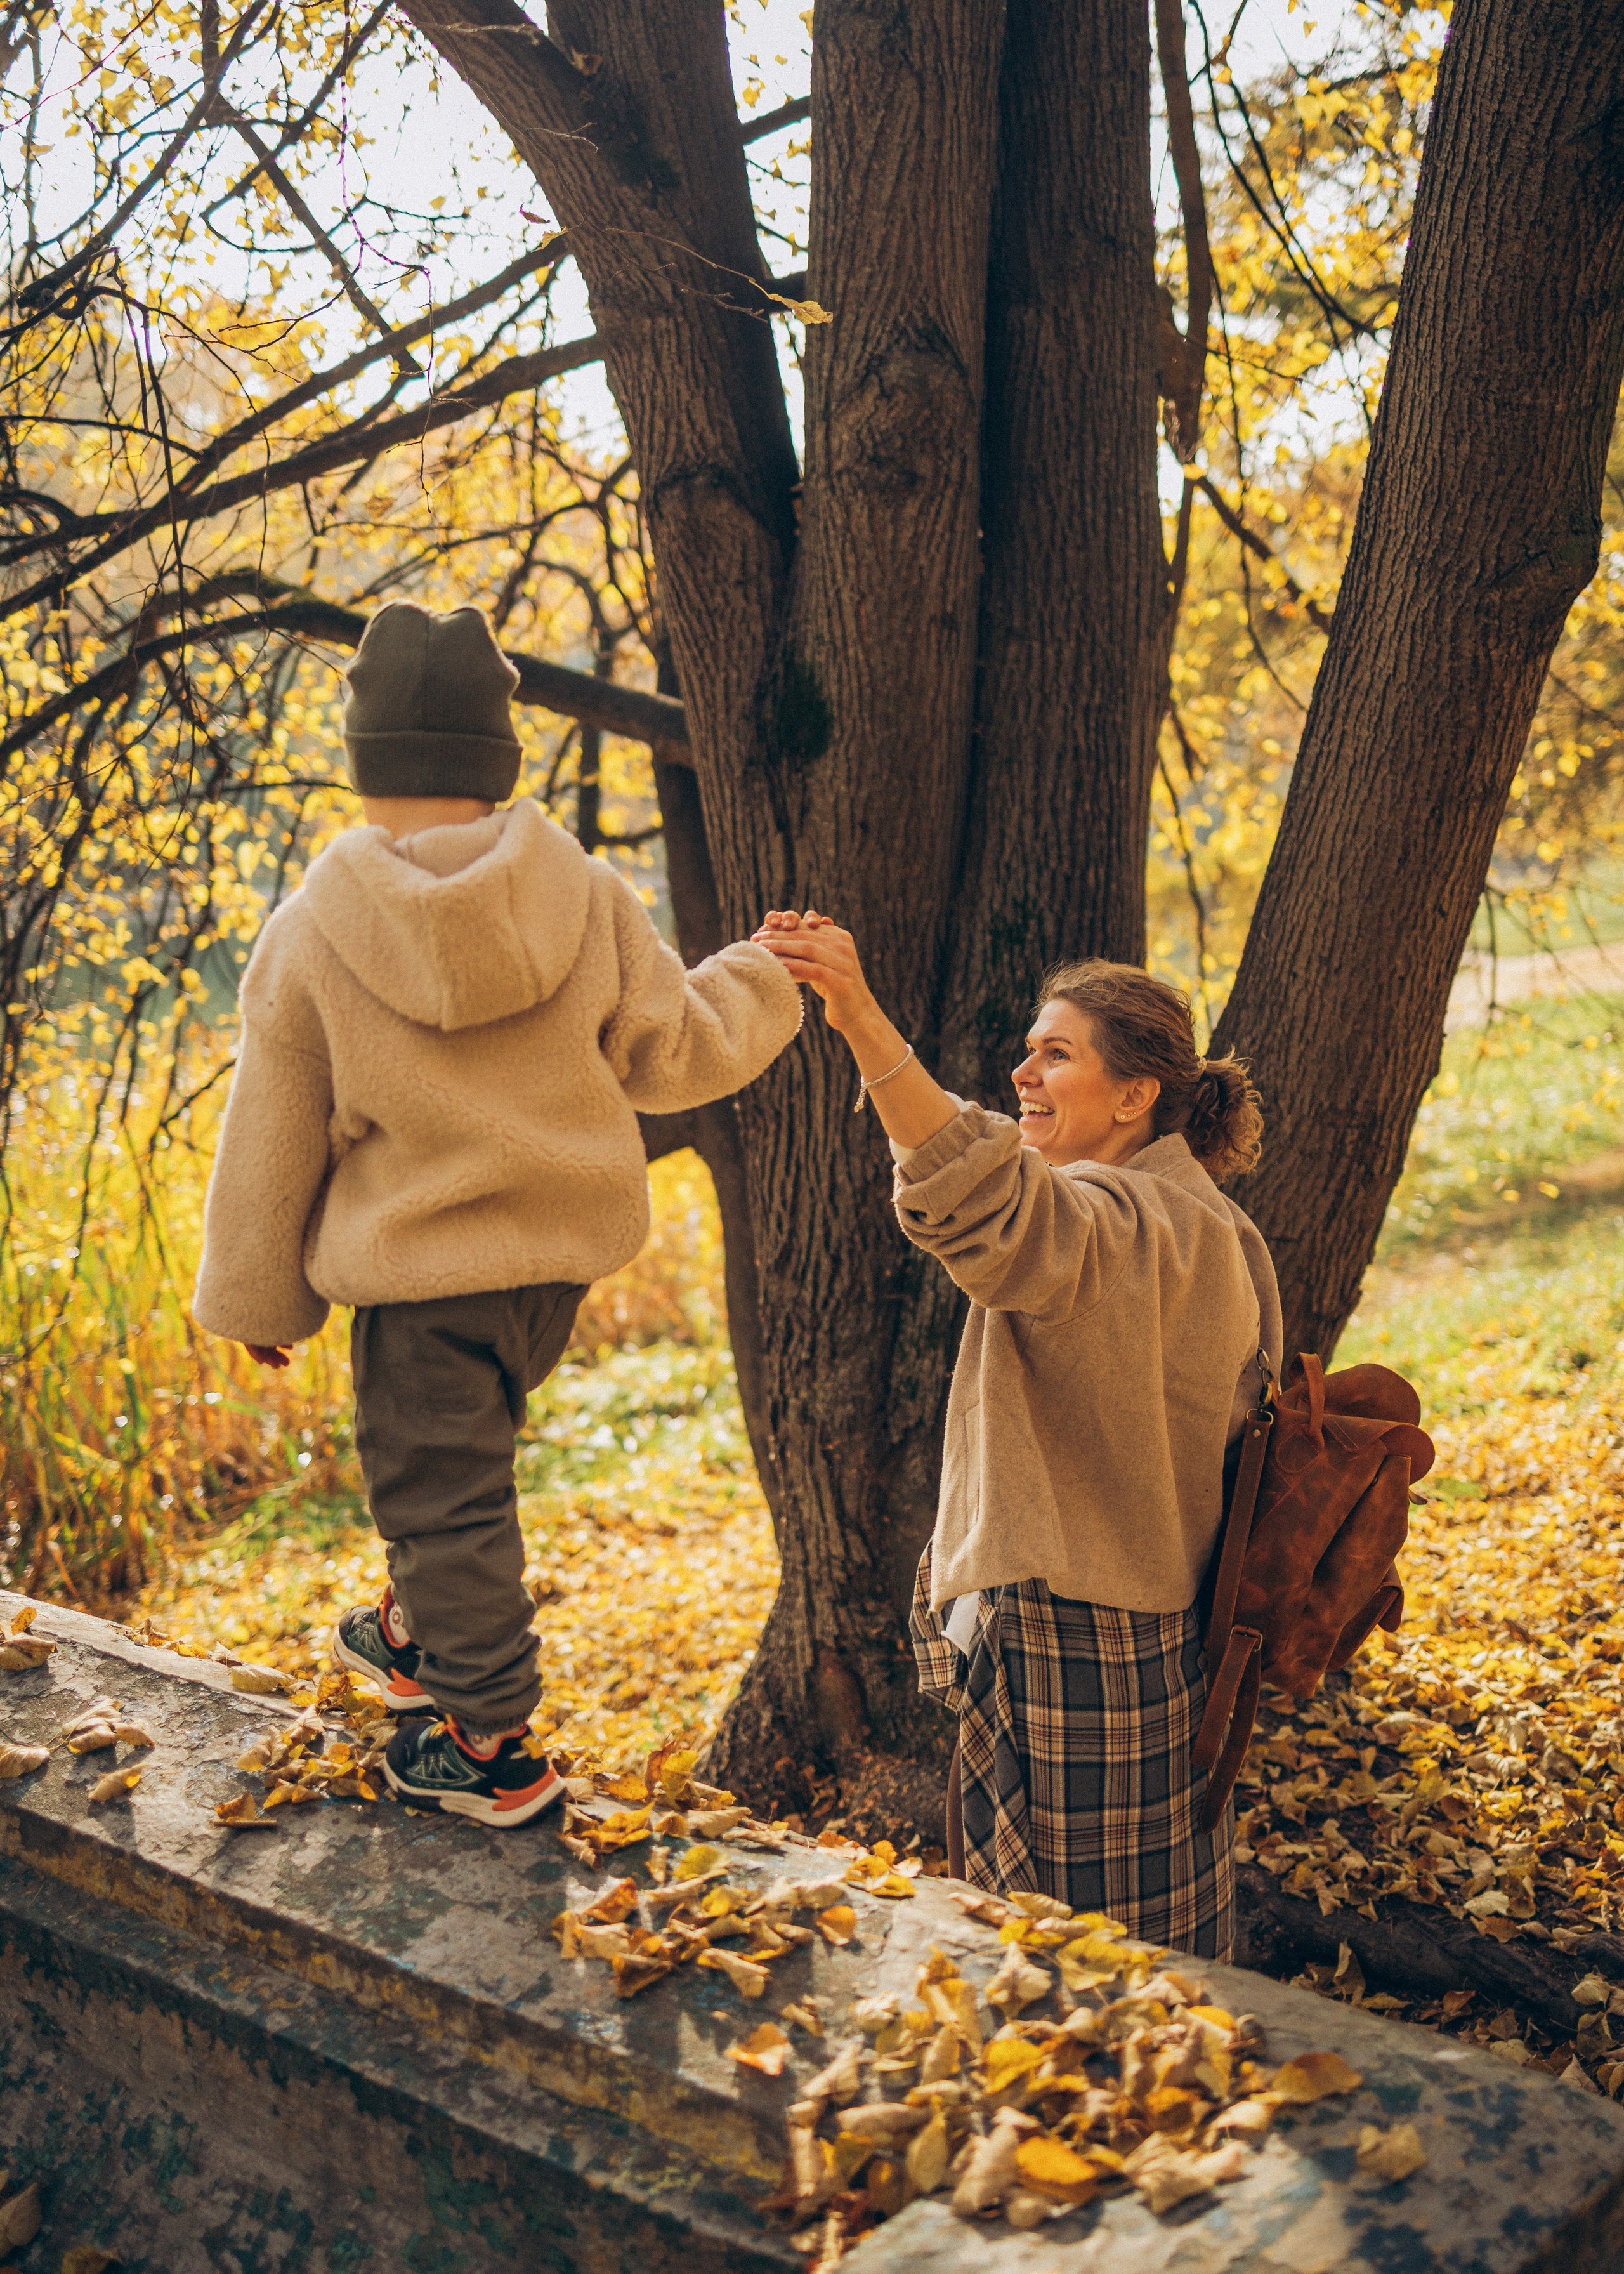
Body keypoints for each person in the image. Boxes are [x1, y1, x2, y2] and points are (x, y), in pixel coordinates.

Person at [193, 601, 802, 1825]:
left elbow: (273, 1136)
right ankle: (417, 1630)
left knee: (440, 1496)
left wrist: (263, 1298)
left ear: (367, 759)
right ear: (496, 756)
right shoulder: (584, 898)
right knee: (460, 1483)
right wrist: (759, 972)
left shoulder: (312, 932)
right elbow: (674, 1052)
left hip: (421, 1285)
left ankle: (486, 1744)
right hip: (548, 1282)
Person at [754, 911, 1280, 1957]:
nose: (1023, 1071)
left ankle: (1112, 2117)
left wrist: (858, 1019)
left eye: (1056, 1055)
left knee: (1074, 1952)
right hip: (1162, 1634)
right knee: (1147, 1945)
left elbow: (981, 1195)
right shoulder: (1207, 1219)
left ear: (1135, 1096)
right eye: (1027, 1050)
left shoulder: (1116, 1217)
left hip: (1082, 1638)